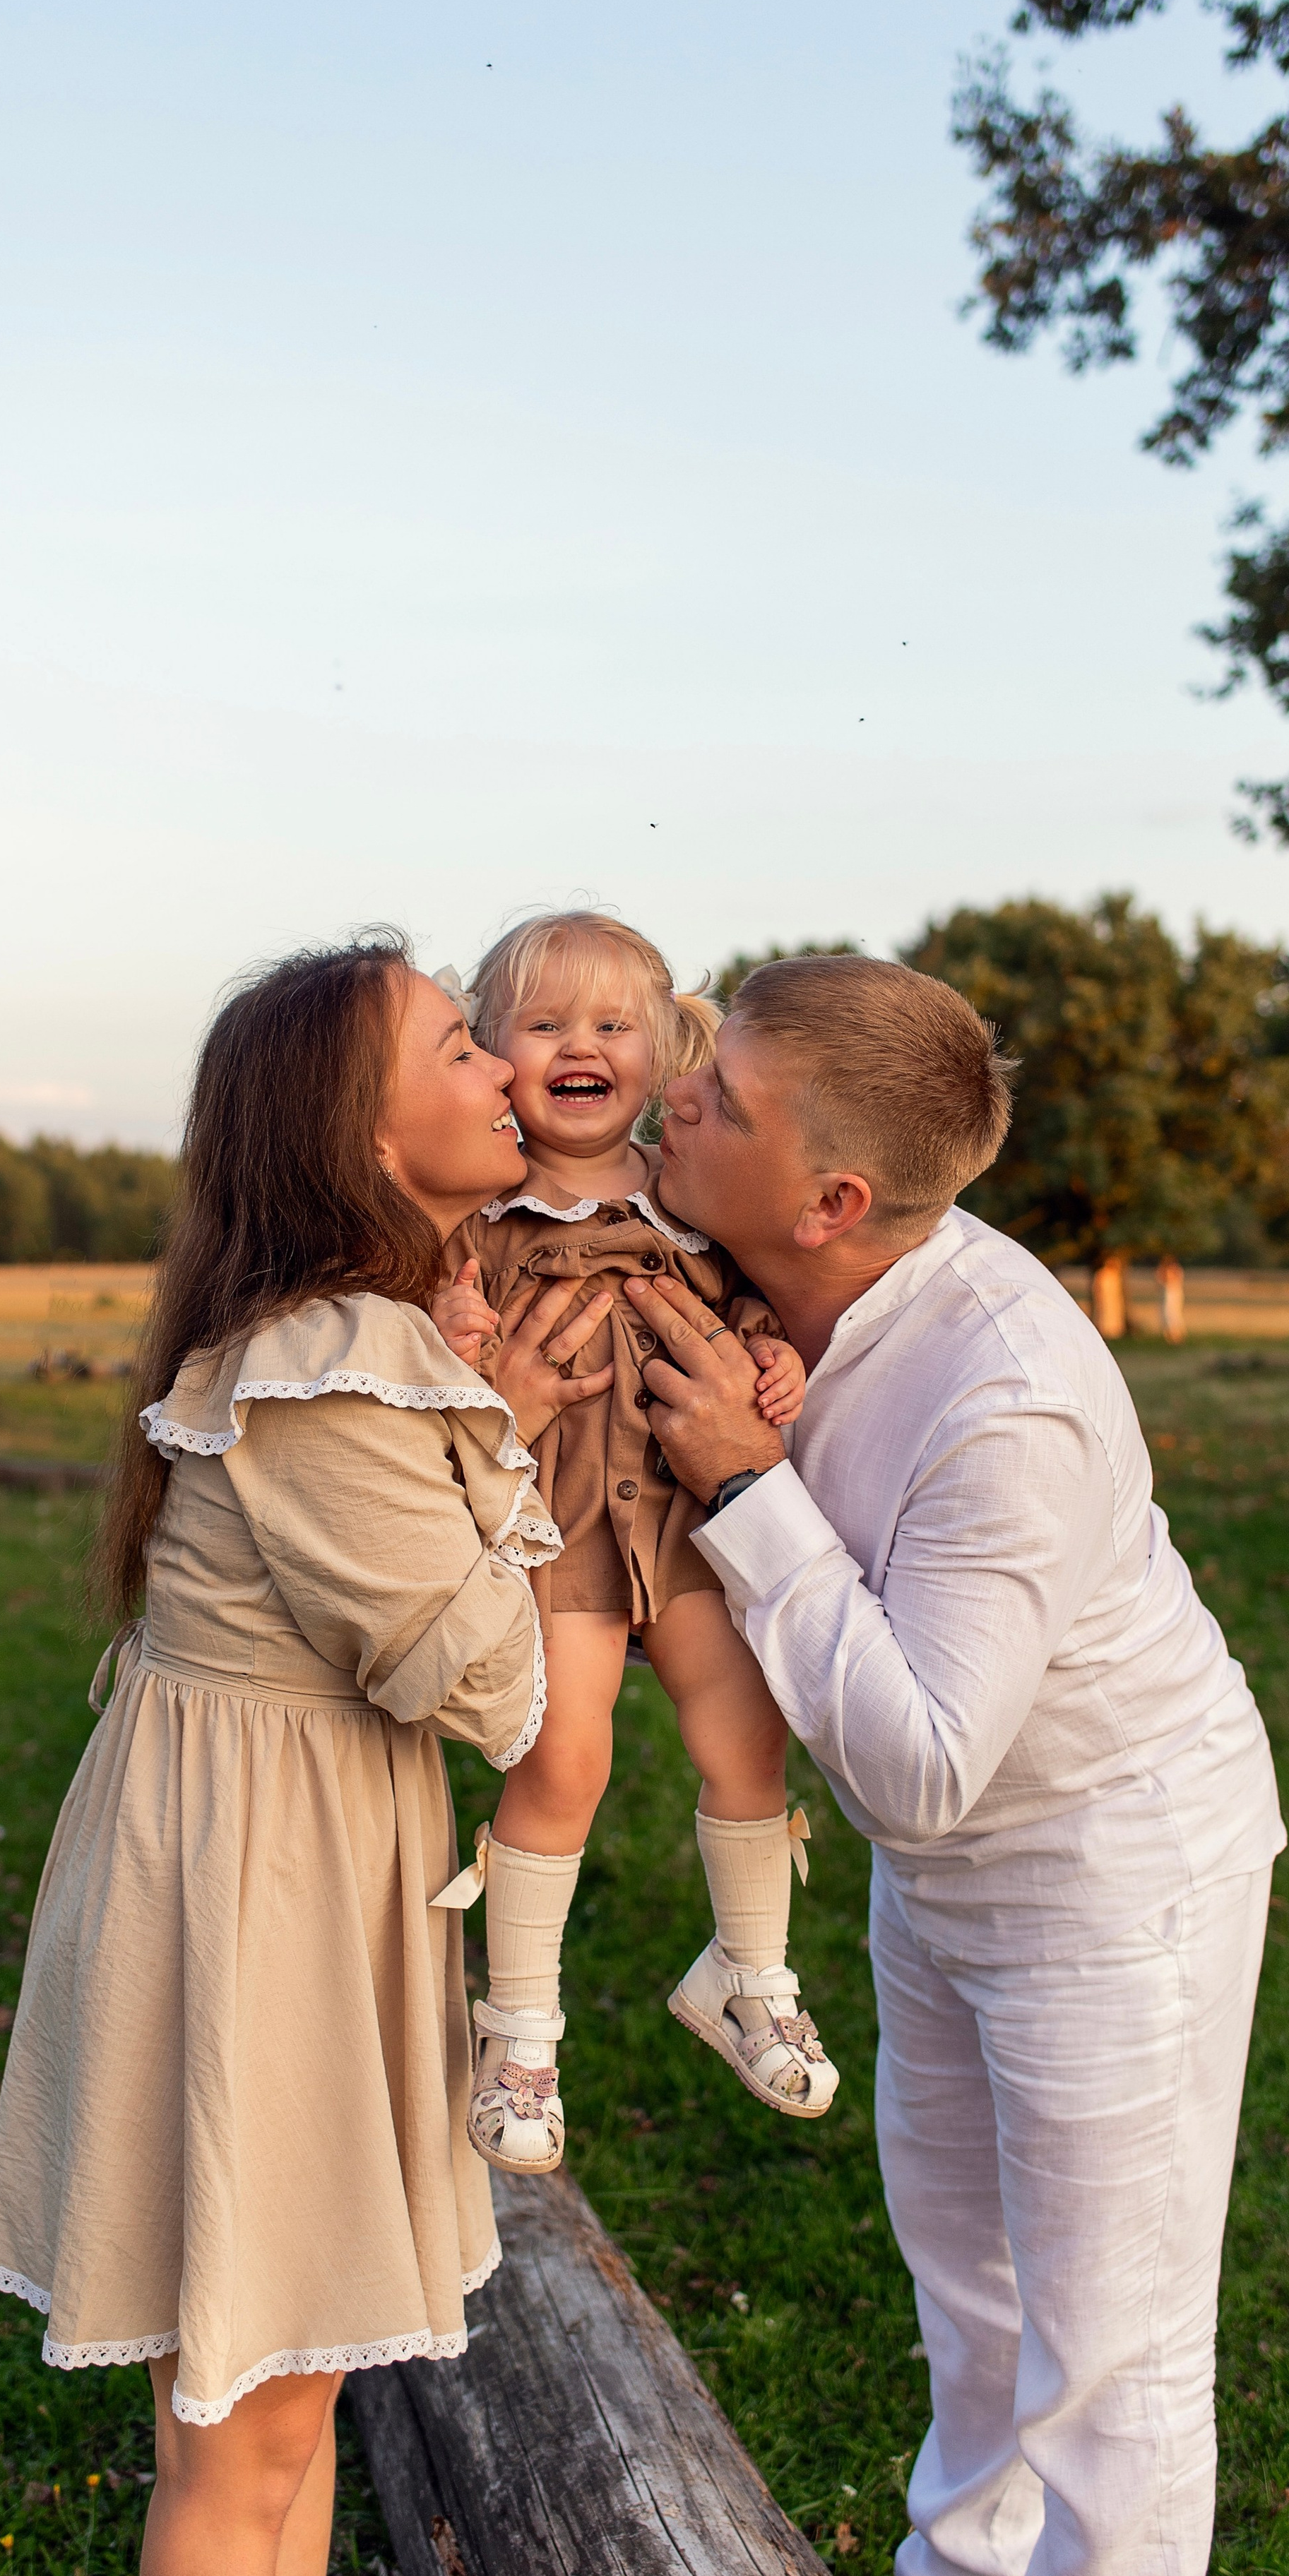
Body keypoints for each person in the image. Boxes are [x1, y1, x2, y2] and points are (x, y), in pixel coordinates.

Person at [626, 953, 1286, 2576]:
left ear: (832, 1195)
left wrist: (742, 1489)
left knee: (1106, 2359)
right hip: (941, 1881)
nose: (674, 1093)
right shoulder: (751, 1272)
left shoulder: (1006, 1393)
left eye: (723, 1095)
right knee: (971, 2300)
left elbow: (918, 1760)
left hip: (1109, 1872)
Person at [0, 938, 614, 2576]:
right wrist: (506, 1442)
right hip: (256, 1899)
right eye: (460, 1045)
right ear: (357, 1128)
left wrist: (479, 1412)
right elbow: (486, 1684)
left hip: (299, 1866)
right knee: (241, 2427)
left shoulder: (355, 1338)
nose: (502, 1067)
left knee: (301, 2384)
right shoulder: (325, 1366)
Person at [427, 912, 836, 2175]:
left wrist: (772, 1356)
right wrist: (451, 1337)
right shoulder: (479, 1221)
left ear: (661, 1055)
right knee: (567, 1757)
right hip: (556, 1535)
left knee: (742, 1732)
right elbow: (430, 1360)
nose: (579, 1046)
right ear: (495, 1054)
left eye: (612, 1026)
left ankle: (750, 1972)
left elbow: (755, 1306)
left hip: (690, 1522)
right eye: (543, 1025)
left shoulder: (688, 1202)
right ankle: (520, 2034)